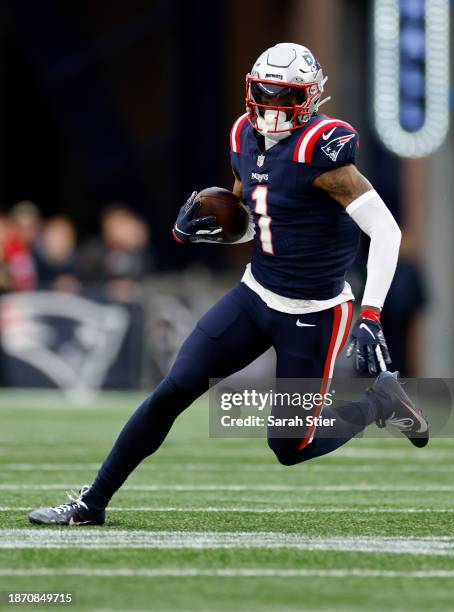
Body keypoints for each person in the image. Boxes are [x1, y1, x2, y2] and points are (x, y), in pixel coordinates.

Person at [29, 43, 428, 526]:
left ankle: (379, 403)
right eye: (264, 91)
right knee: (173, 390)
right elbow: (249, 219)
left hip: (316, 311)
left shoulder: (324, 152)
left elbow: (386, 232)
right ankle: (92, 503)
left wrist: (370, 315)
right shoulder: (243, 134)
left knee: (290, 446)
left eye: (285, 95)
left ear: (310, 98)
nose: (272, 104)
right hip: (256, 293)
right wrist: (203, 228)